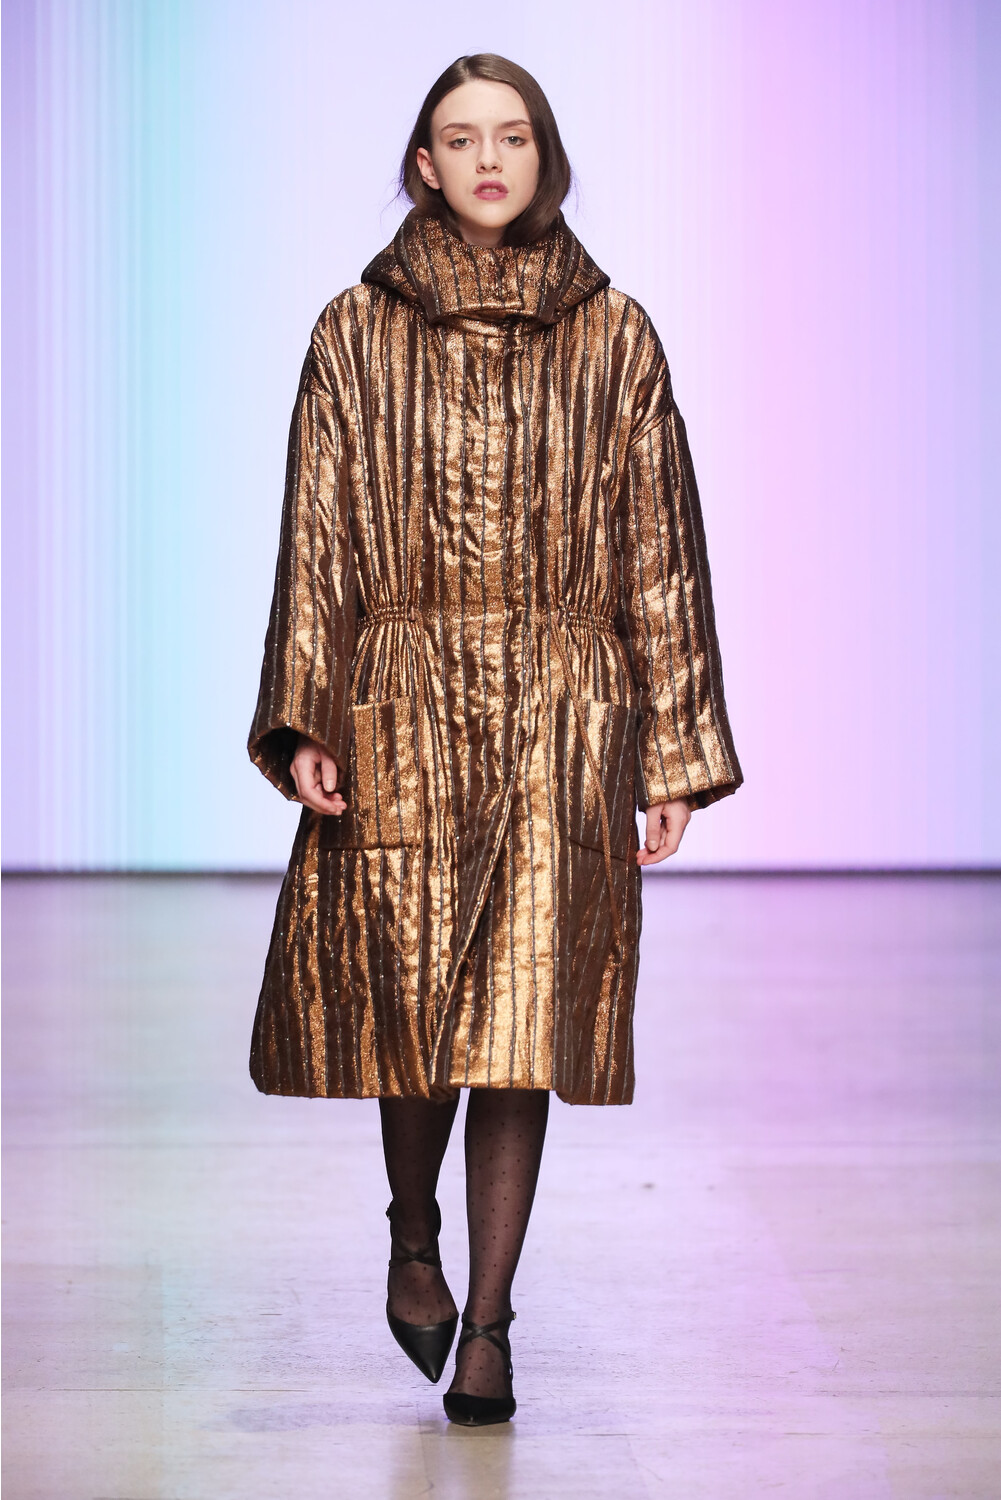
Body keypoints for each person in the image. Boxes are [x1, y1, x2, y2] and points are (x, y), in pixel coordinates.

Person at [247, 53, 742, 1427]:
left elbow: (661, 550)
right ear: (422, 164)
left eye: (511, 136)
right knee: (411, 1011)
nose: (486, 160)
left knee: (524, 1019)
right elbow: (315, 534)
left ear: (544, 157)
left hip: (560, 717)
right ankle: (413, 1237)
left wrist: (670, 753)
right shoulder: (355, 331)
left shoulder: (615, 334)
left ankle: (490, 1324)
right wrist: (306, 717)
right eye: (459, 139)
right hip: (404, 700)